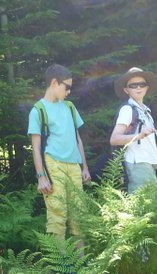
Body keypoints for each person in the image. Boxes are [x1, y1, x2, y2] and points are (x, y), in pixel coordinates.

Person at [27, 64, 91, 241]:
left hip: (74, 167)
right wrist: (41, 176)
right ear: (54, 83)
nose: (69, 91)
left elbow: (78, 139)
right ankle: (60, 266)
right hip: (53, 165)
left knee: (79, 215)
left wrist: (84, 167)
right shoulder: (38, 110)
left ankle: (82, 264)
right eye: (67, 87)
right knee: (57, 215)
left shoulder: (70, 107)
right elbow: (36, 147)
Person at [110, 67, 157, 193]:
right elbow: (114, 139)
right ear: (126, 90)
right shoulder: (127, 109)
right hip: (138, 164)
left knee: (150, 208)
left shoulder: (145, 110)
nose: (138, 88)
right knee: (143, 209)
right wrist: (139, 135)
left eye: (142, 84)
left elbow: (143, 139)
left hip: (148, 164)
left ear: (147, 88)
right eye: (133, 85)